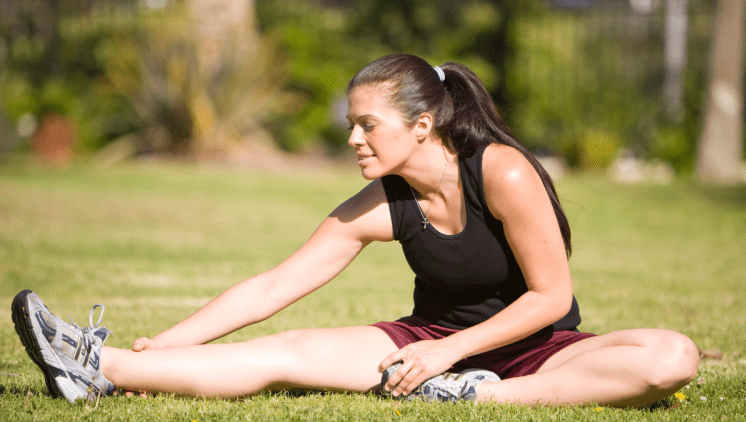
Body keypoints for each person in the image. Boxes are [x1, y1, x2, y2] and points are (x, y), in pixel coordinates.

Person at [11, 54, 699, 407]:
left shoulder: (504, 173)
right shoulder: (385, 201)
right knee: (283, 353)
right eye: (352, 123)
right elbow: (275, 286)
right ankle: (94, 367)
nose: (353, 138)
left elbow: (550, 298)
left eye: (368, 125)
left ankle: (483, 399)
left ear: (422, 126)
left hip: (533, 352)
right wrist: (163, 345)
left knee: (672, 357)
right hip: (422, 348)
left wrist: (453, 362)